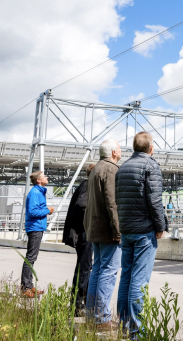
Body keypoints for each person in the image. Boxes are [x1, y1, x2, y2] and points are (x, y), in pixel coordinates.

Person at [115, 132, 167, 337]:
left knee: (126, 278)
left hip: (126, 230)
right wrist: (160, 226)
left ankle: (124, 326)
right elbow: (155, 200)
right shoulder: (150, 166)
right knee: (139, 280)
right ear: (151, 148)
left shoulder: (122, 168)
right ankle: (137, 333)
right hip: (144, 231)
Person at [84, 140, 122, 329]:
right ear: (114, 152)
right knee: (108, 271)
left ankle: (92, 314)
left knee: (97, 270)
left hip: (94, 228)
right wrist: (118, 230)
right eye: (120, 148)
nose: (121, 150)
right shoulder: (111, 170)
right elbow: (112, 203)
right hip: (107, 230)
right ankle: (101, 316)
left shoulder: (96, 168)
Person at [63, 162, 96, 315]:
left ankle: (81, 302)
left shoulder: (84, 184)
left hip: (82, 232)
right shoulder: (89, 185)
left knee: (84, 268)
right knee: (84, 269)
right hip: (85, 233)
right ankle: (77, 304)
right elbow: (83, 204)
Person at [21, 170, 55, 298]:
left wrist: (46, 210)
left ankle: (29, 285)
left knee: (32, 258)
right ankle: (25, 288)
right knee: (30, 258)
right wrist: (48, 210)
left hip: (37, 227)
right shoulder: (35, 193)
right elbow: (33, 212)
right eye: (44, 176)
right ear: (39, 180)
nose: (47, 177)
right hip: (35, 228)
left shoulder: (39, 192)